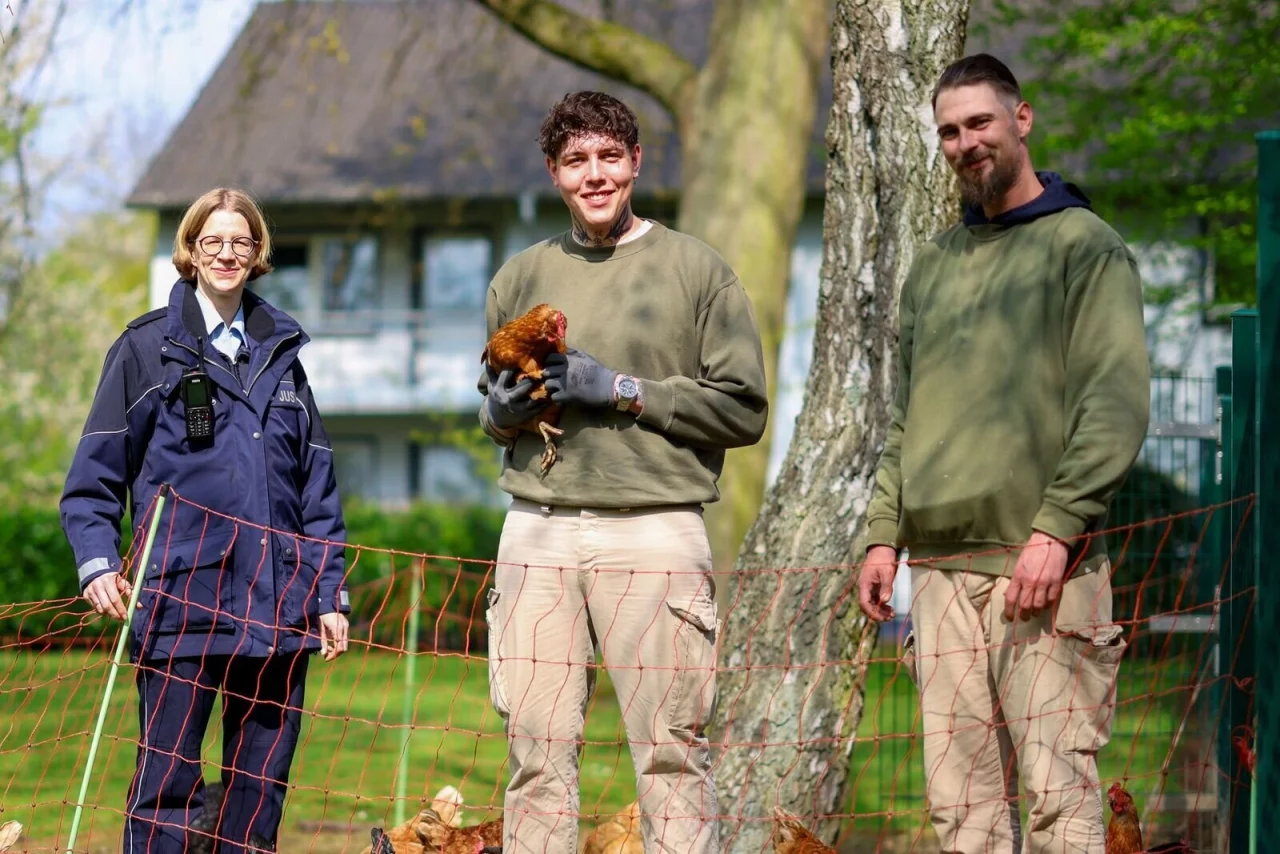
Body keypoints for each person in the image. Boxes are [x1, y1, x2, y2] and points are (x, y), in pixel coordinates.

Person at [857, 54, 1150, 853]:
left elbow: (1115, 404)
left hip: (1042, 570)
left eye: (979, 122)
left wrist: (1057, 528)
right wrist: (883, 535)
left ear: (1021, 120)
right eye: (950, 131)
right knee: (963, 812)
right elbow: (906, 419)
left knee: (1058, 801)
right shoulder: (934, 265)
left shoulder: (1085, 248)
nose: (965, 143)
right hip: (940, 576)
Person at [477, 90, 768, 853]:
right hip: (537, 530)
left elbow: (744, 411)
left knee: (672, 755)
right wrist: (500, 413)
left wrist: (622, 389)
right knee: (536, 759)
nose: (595, 174)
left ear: (636, 162)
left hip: (654, 528)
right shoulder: (519, 276)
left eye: (610, 156)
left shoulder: (698, 271)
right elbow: (491, 409)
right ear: (554, 172)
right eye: (576, 160)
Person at [60, 187, 351, 853]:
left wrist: (328, 593)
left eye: (240, 242)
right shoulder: (144, 349)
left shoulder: (284, 355)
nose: (226, 254)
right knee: (166, 792)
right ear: (190, 251)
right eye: (212, 241)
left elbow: (318, 491)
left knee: (259, 791)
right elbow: (93, 480)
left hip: (279, 610)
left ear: (258, 253)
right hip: (180, 604)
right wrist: (97, 562)